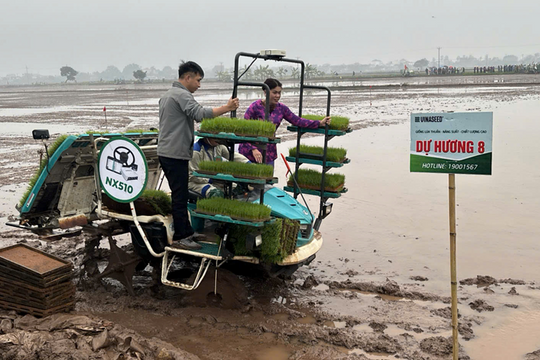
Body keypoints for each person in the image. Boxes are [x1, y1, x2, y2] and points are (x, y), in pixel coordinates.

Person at [158, 61, 239, 250]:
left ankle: (187, 231)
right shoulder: (181, 94)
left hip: (169, 152)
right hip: (174, 153)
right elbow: (200, 114)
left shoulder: (168, 95)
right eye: (198, 80)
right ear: (187, 77)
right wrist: (226, 108)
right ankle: (180, 237)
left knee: (182, 193)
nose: (199, 85)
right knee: (179, 196)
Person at [239, 78, 331, 165]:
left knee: (266, 179)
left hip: (269, 152)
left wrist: (319, 123)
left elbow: (297, 120)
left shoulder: (281, 108)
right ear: (265, 92)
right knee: (249, 178)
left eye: (279, 93)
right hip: (250, 152)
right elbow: (243, 131)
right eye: (274, 93)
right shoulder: (254, 107)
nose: (277, 96)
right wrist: (253, 149)